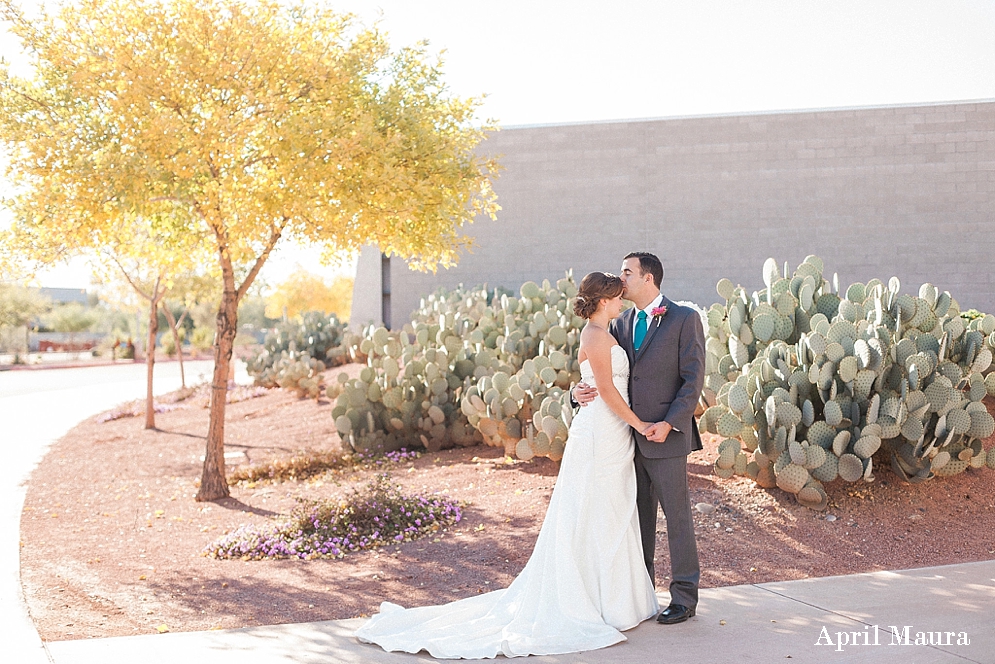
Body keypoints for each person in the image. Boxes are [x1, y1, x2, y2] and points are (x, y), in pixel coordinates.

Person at [355, 271, 659, 659]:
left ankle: (617, 599)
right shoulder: (596, 335)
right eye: (617, 297)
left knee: (611, 509)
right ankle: (597, 601)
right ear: (603, 301)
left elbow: (593, 384)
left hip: (610, 431)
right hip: (603, 431)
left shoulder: (604, 332)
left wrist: (584, 396)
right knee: (593, 510)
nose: (621, 302)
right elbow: (609, 391)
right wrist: (640, 424)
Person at [573, 252, 706, 626]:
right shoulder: (620, 321)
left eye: (627, 272)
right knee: (638, 519)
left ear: (648, 278)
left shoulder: (684, 318)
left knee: (677, 518)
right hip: (624, 438)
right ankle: (640, 594)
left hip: (665, 436)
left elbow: (692, 379)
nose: (621, 278)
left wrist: (669, 423)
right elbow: (599, 371)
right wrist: (576, 392)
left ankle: (683, 597)